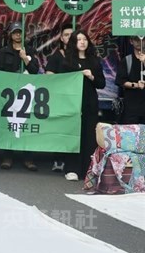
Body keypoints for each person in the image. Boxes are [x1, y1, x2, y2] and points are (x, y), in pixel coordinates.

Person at [0, 21, 40, 171]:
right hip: (9, 95)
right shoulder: (2, 52)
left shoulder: (30, 51)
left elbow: (35, 71)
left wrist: (25, 58)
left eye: (20, 32)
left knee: (26, 123)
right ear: (10, 34)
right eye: (15, 32)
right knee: (9, 123)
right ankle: (7, 155)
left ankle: (28, 157)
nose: (17, 35)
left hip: (26, 94)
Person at [59, 30, 105, 181]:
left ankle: (88, 168)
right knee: (73, 135)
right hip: (72, 103)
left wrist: (91, 76)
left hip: (90, 103)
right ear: (74, 42)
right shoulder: (68, 61)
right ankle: (71, 168)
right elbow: (61, 82)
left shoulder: (94, 61)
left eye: (84, 39)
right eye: (79, 39)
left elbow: (101, 83)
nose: (82, 42)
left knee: (89, 136)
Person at [44, 22, 75, 173]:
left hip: (76, 99)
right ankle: (58, 159)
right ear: (61, 38)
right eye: (66, 35)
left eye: (71, 34)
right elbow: (49, 74)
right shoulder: (57, 56)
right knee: (60, 129)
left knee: (73, 130)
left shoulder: (82, 54)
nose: (69, 37)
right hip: (60, 99)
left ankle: (72, 161)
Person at [116, 36, 145, 125]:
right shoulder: (127, 60)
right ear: (131, 41)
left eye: (142, 39)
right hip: (132, 109)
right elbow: (120, 81)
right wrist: (135, 85)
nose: (139, 42)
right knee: (132, 136)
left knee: (143, 138)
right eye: (136, 40)